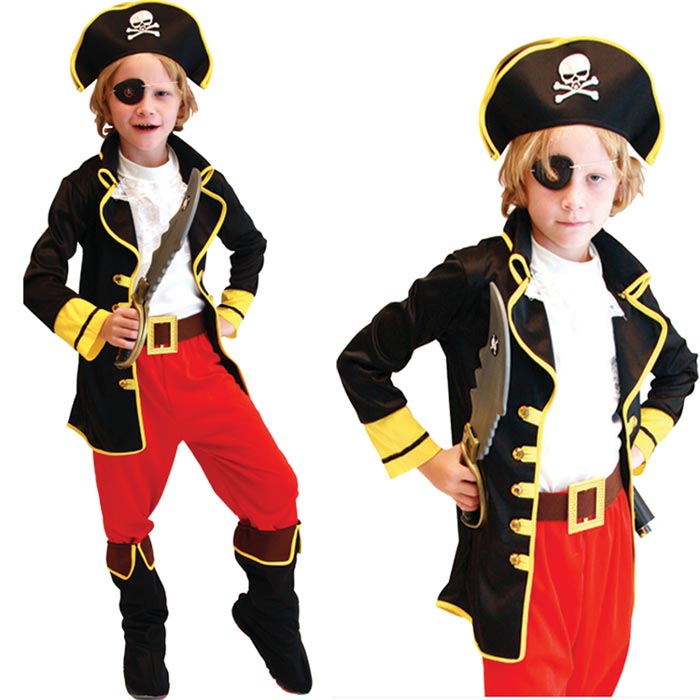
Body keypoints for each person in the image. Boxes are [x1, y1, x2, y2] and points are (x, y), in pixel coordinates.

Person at [337, 37, 697, 696]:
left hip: (611, 534)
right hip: (525, 547)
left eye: (595, 178)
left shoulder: (626, 286)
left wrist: (639, 444)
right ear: (521, 177)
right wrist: (426, 459)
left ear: (621, 182)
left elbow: (679, 370)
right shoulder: (475, 278)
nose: (574, 199)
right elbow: (363, 361)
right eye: (553, 174)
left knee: (598, 685)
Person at [23, 2, 311, 697]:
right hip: (122, 381)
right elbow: (39, 281)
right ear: (106, 105)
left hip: (201, 363)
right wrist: (93, 324)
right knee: (126, 521)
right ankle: (143, 627)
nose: (146, 106)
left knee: (277, 490)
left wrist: (232, 310)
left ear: (182, 102)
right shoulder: (82, 189)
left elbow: (251, 247)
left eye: (161, 92)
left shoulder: (205, 182)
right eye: (129, 92)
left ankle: (269, 612)